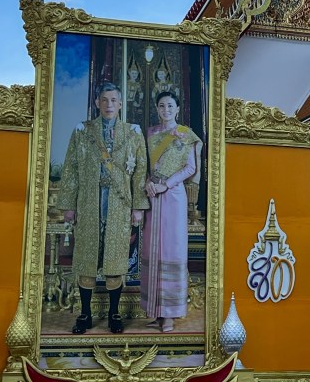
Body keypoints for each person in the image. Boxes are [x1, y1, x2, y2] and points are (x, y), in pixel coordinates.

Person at [58, 82, 149, 334]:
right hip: (89, 202)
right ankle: (85, 314)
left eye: (114, 100)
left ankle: (114, 314)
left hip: (120, 203)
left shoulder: (132, 133)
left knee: (115, 259)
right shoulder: (82, 131)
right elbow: (71, 168)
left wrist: (138, 206)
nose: (109, 104)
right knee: (86, 258)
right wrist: (69, 205)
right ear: (97, 102)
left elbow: (140, 170)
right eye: (104, 100)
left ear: (120, 104)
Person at [140, 90, 202, 332]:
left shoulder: (186, 134)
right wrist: (148, 182)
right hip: (152, 195)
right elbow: (144, 164)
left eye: (170, 106)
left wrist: (166, 184)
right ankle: (154, 310)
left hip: (173, 195)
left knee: (171, 250)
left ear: (177, 109)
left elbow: (190, 168)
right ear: (157, 109)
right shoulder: (150, 133)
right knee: (152, 250)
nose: (166, 110)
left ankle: (169, 315)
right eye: (162, 106)